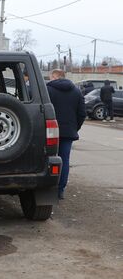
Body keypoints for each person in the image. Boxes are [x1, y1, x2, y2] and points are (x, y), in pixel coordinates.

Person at [46, 69, 86, 199]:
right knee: (64, 160)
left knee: (47, 158)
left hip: (49, 131)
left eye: (50, 77)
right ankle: (60, 189)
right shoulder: (76, 91)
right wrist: (74, 128)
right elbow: (82, 114)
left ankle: (47, 187)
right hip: (68, 132)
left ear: (54, 76)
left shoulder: (48, 90)